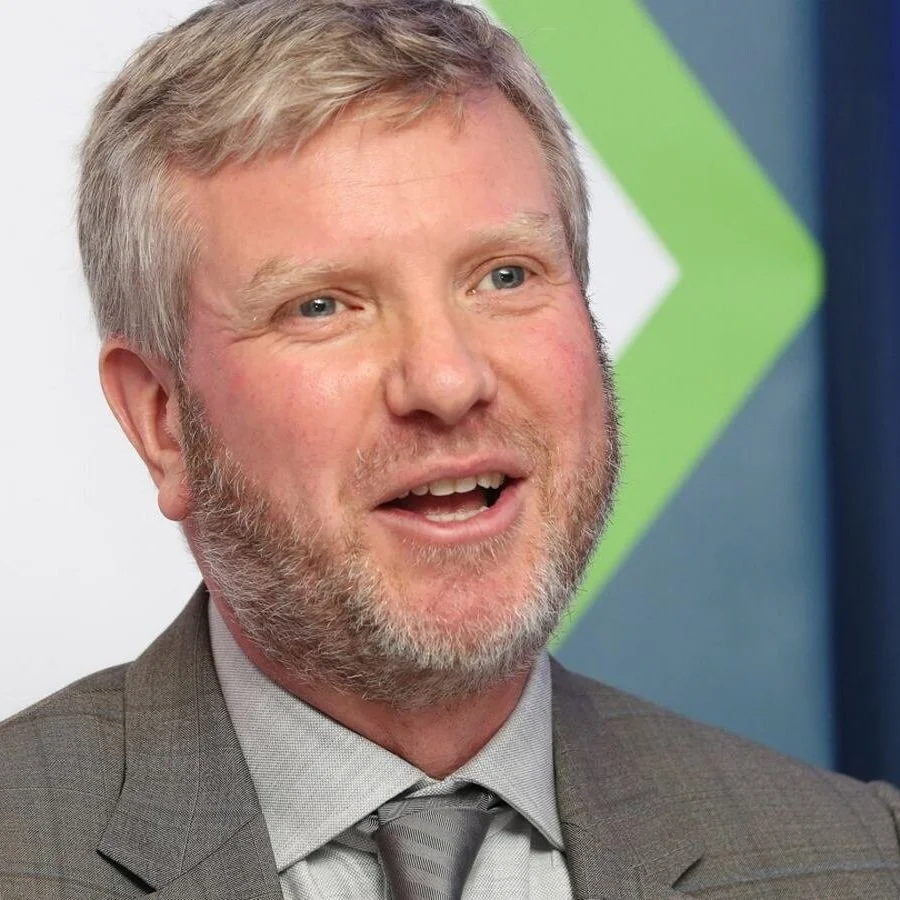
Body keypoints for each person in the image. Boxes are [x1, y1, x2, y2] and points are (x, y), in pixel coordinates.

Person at [2, 1, 900, 897]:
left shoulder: (860, 856)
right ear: (162, 419)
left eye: (505, 276)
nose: (445, 380)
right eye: (323, 305)